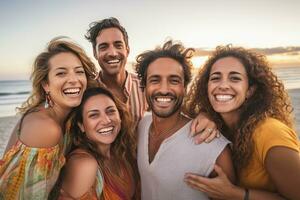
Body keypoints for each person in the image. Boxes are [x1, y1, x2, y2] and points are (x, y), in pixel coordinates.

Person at [184, 45, 300, 200]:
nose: (223, 85)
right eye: (215, 78)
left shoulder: (270, 133)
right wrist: (205, 114)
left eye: (235, 78)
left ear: (250, 90)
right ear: (207, 87)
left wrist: (235, 194)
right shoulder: (219, 126)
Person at [85, 17, 218, 143]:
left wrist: (205, 115)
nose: (112, 53)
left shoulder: (146, 86)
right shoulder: (87, 92)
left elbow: (183, 107)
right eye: (103, 47)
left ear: (127, 50)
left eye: (118, 45)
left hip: (144, 164)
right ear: (95, 53)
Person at [135, 40, 235, 200]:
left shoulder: (213, 147)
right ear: (144, 87)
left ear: (185, 88)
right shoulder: (142, 125)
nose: (164, 89)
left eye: (174, 80)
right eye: (155, 80)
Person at [0, 37, 98, 199]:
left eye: (79, 71)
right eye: (61, 73)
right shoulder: (46, 128)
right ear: (46, 84)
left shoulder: (67, 118)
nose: (74, 80)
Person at [58, 87, 138, 199]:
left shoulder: (122, 153)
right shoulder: (84, 164)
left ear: (120, 116)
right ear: (81, 125)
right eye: (94, 115)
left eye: (110, 111)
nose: (106, 120)